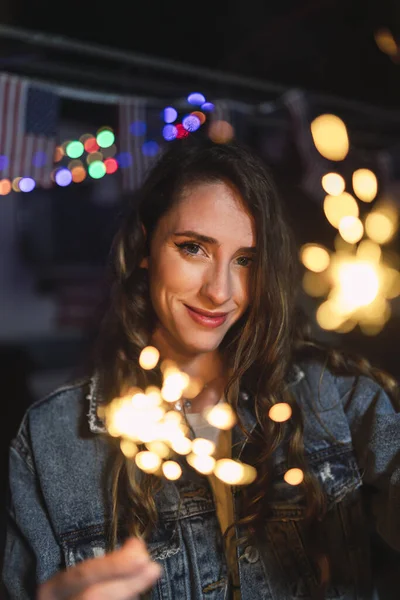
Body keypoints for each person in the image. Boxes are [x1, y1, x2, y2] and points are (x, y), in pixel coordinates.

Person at [2, 137, 399, 600]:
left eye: (245, 260)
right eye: (194, 248)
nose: (219, 291)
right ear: (146, 245)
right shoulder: (52, 441)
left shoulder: (334, 396)